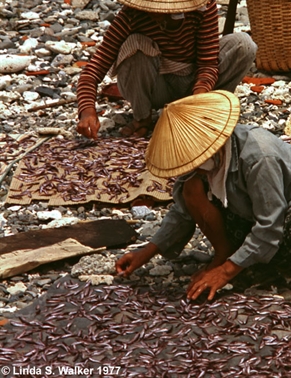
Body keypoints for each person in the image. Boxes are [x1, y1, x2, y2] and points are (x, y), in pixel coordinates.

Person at [116, 90, 291, 300]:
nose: (189, 166)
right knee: (190, 187)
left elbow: (271, 223)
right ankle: (225, 254)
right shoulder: (204, 161)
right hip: (252, 215)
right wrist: (147, 251)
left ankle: (241, 262)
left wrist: (225, 272)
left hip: (283, 222)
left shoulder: (259, 158)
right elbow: (183, 211)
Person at [76, 0, 257, 139]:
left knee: (243, 44)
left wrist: (197, 99)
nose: (157, 14)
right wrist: (87, 112)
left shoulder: (202, 8)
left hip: (191, 83)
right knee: (135, 43)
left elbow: (208, 64)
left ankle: (206, 110)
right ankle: (143, 118)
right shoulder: (132, 15)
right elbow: (93, 71)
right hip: (156, 87)